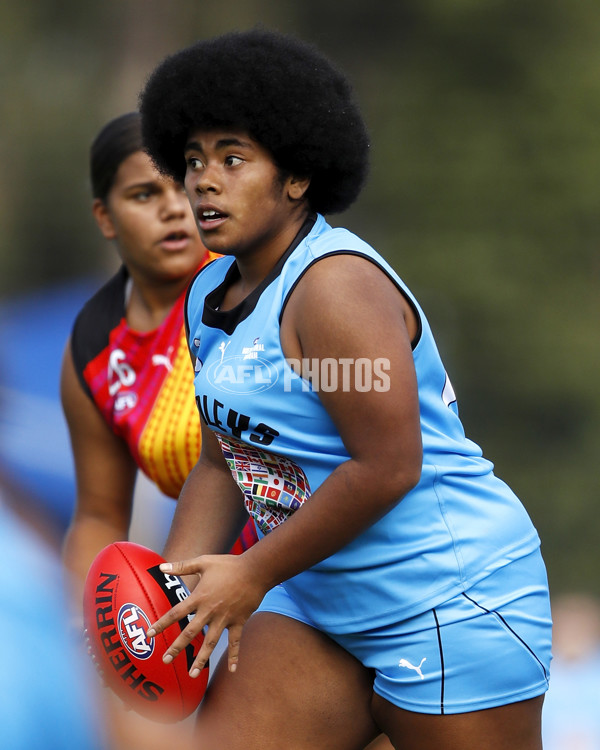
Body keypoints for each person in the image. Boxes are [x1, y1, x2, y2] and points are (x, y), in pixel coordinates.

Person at [138, 28, 553, 750]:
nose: (202, 180)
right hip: (319, 603)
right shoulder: (211, 290)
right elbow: (220, 459)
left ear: (296, 176)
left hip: (450, 599)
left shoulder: (334, 289)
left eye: (233, 159)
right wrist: (176, 600)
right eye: (194, 160)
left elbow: (388, 465)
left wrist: (250, 574)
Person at [60, 112, 258, 603]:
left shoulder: (259, 282)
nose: (174, 208)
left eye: (183, 184)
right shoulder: (93, 346)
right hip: (205, 587)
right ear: (105, 217)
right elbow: (98, 516)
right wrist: (80, 628)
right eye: (145, 194)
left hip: (312, 563)